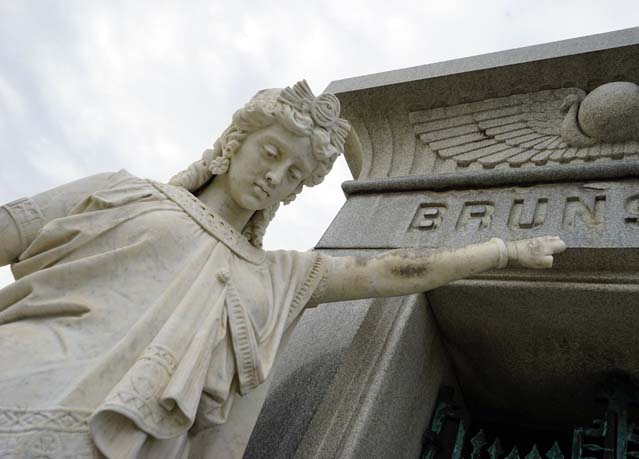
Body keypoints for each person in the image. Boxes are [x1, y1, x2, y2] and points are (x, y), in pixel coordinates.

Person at [0, 81, 565, 458]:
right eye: (271, 153)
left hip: (132, 436)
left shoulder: (278, 276)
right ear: (234, 143)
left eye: (295, 174)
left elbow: (391, 271)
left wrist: (499, 253)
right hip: (26, 373)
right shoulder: (125, 192)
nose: (277, 176)